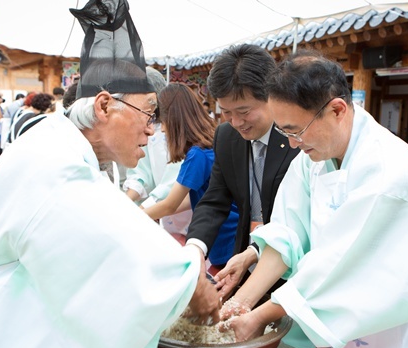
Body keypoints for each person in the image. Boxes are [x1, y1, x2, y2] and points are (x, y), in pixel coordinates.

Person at [0, 1, 220, 348]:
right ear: (105, 106)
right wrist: (190, 279)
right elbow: (110, 246)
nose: (151, 128)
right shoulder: (55, 160)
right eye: (147, 112)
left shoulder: (62, 145)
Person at [217, 50, 408, 348]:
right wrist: (243, 302)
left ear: (336, 110)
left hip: (399, 337)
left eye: (295, 130)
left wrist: (261, 316)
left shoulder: (392, 171)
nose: (293, 144)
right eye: (285, 132)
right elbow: (288, 233)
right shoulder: (313, 160)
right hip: (346, 334)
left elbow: (342, 262)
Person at [184, 44, 299, 290]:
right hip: (244, 263)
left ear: (271, 96)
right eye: (226, 112)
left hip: (291, 269)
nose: (236, 122)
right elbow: (214, 201)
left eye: (244, 111)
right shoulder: (226, 136)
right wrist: (195, 248)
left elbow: (297, 219)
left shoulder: (297, 138)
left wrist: (256, 251)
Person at [143, 83, 239, 266]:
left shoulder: (197, 155)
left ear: (174, 120)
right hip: (230, 234)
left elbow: (170, 204)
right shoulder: (210, 145)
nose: (162, 130)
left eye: (163, 122)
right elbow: (190, 199)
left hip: (223, 237)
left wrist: (134, 217)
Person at [123, 67, 192, 242]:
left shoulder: (180, 130)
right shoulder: (146, 126)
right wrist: (126, 201)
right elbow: (141, 172)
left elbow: (173, 181)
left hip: (183, 211)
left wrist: (142, 210)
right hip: (163, 216)